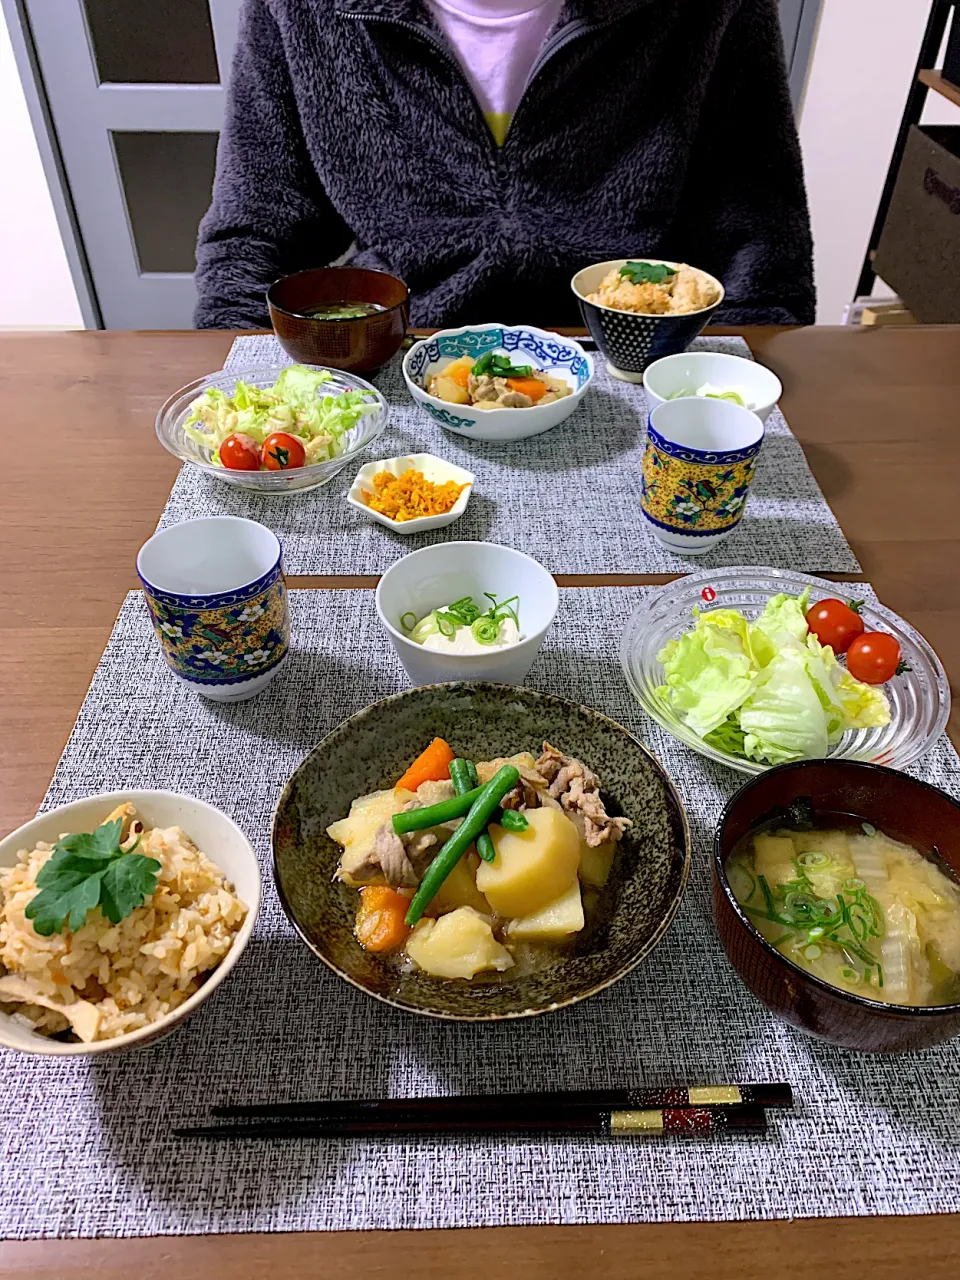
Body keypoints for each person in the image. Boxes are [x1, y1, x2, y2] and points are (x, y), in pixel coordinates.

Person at [195, 0, 815, 330]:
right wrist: (247, 408)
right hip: (391, 354)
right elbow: (253, 235)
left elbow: (761, 252)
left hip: (634, 362)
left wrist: (726, 402)